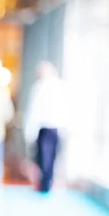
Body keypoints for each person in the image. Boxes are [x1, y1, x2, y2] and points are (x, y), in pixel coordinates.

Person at [24, 61, 66, 193]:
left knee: (44, 157)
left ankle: (44, 184)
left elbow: (34, 111)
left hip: (44, 128)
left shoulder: (39, 87)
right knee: (51, 157)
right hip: (56, 128)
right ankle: (47, 183)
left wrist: (29, 132)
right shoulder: (61, 86)